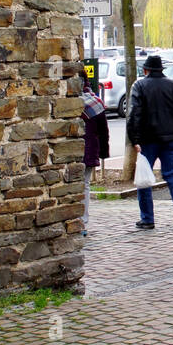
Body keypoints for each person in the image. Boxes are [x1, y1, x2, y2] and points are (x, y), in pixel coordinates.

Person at [125, 55, 173, 230]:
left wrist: (135, 139)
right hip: (172, 139)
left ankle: (147, 219)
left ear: (146, 70)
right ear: (161, 70)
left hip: (148, 140)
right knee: (171, 174)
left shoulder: (139, 86)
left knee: (144, 178)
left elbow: (134, 114)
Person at [80, 79, 110, 237]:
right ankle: (83, 223)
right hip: (88, 151)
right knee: (84, 185)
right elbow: (103, 131)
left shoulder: (69, 103)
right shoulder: (95, 103)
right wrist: (103, 152)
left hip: (74, 151)